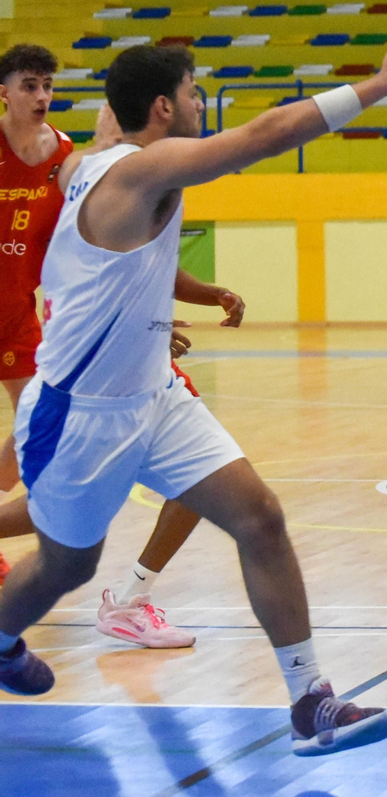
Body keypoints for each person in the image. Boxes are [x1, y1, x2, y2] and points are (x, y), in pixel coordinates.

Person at [0, 21, 387, 757]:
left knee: (260, 516)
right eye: (192, 91)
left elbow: (112, 162)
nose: (202, 100)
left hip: (152, 394)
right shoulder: (140, 169)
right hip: (82, 413)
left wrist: (141, 318)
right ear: (164, 110)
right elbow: (267, 133)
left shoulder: (98, 160)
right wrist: (379, 85)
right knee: (69, 564)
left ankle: (310, 702)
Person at [0, 74, 242, 651]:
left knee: (42, 480)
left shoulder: (73, 162)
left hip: (56, 335)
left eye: (49, 86)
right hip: (82, 358)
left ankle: (132, 596)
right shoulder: (91, 166)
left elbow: (110, 267)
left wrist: (184, 304)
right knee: (46, 490)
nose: (43, 96)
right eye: (30, 85)